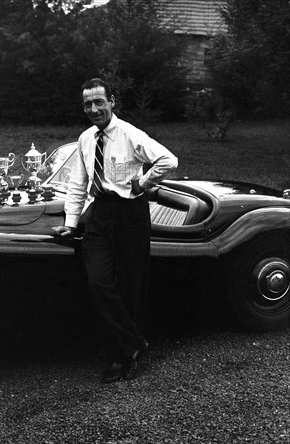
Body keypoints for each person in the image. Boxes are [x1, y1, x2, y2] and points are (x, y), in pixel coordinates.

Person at [52, 77, 178, 383]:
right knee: (99, 280)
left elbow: (168, 160)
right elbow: (78, 183)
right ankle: (135, 341)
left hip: (130, 213)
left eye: (99, 102)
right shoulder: (85, 139)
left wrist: (144, 182)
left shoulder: (130, 134)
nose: (94, 109)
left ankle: (125, 356)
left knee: (130, 284)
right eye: (87, 104)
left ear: (112, 102)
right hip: (100, 214)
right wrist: (70, 224)